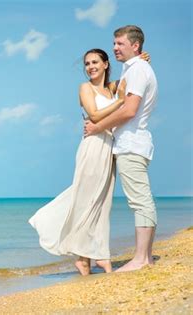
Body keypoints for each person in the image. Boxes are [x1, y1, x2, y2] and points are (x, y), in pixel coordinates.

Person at [28, 48, 126, 276]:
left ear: (105, 64)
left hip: (108, 148)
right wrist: (120, 102)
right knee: (85, 200)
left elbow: (131, 77)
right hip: (92, 147)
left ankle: (86, 258)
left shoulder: (111, 88)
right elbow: (94, 115)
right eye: (87, 63)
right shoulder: (85, 88)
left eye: (95, 62)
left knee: (102, 204)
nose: (90, 66)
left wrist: (139, 58)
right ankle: (98, 257)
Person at [84, 25, 158, 272]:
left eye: (119, 44)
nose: (114, 48)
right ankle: (144, 256)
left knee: (140, 201)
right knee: (141, 200)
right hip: (128, 144)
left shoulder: (137, 70)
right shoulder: (134, 69)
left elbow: (129, 110)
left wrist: (97, 128)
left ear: (135, 46)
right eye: (114, 44)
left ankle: (141, 259)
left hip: (131, 144)